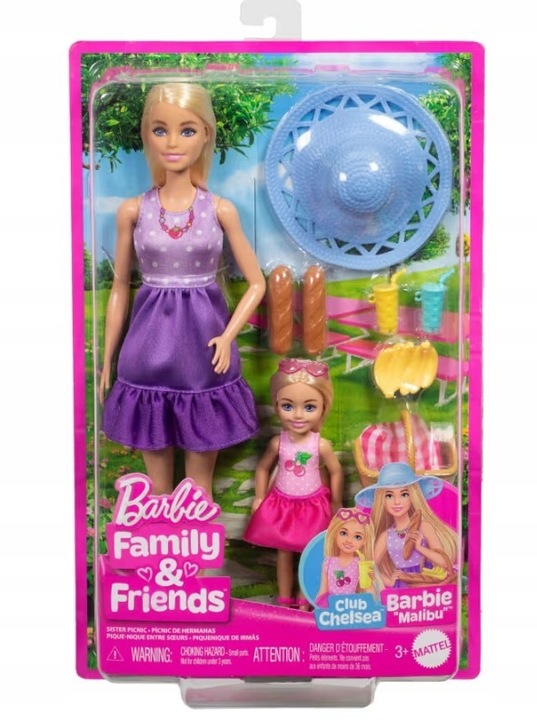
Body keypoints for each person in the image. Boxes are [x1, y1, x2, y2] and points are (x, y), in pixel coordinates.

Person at [99, 83, 266, 497]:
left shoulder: (219, 209)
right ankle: (158, 537)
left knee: (198, 487)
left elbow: (257, 283)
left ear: (206, 134)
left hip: (204, 349)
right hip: (147, 350)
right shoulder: (134, 210)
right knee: (157, 488)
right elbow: (120, 286)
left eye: (187, 130)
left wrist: (228, 336)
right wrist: (107, 360)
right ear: (147, 135)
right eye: (160, 130)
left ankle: (200, 541)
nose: (172, 142)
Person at [244, 358, 343, 609]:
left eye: (309, 407)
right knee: (284, 553)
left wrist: (335, 501)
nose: (298, 415)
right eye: (288, 406)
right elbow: (263, 468)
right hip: (282, 505)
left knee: (312, 554)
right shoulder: (278, 443)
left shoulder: (320, 445)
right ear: (276, 405)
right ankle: (284, 598)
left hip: (312, 507)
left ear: (323, 407)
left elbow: (336, 471)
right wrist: (259, 497)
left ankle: (304, 597)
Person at [355, 462, 458, 588]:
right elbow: (370, 566)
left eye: (404, 494)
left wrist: (420, 548)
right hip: (401, 584)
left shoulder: (423, 527)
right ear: (382, 500)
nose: (397, 502)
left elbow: (444, 562)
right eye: (389, 496)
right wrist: (388, 581)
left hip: (425, 581)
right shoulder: (386, 536)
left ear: (413, 496)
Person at [315, 507, 375, 607]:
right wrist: (317, 609)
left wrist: (369, 582)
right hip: (331, 604)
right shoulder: (328, 562)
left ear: (364, 541)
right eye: (343, 533)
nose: (348, 540)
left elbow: (370, 593)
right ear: (335, 533)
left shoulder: (360, 563)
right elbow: (323, 590)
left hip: (351, 605)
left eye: (357, 537)